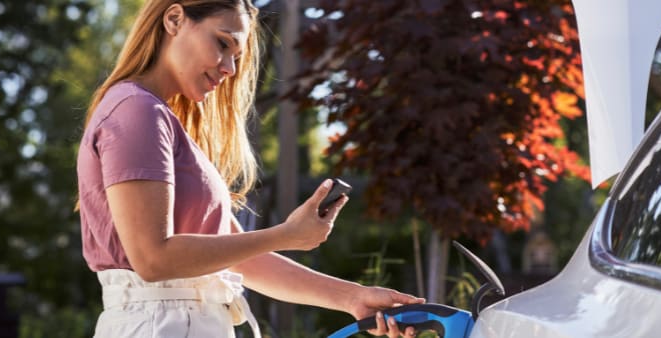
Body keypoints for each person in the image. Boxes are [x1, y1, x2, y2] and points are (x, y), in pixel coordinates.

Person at [75, 1, 423, 337]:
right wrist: (286, 235)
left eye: (236, 57)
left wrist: (351, 298)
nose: (230, 68)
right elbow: (153, 259)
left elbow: (242, 259)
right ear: (175, 20)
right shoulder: (136, 110)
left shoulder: (161, 120)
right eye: (222, 43)